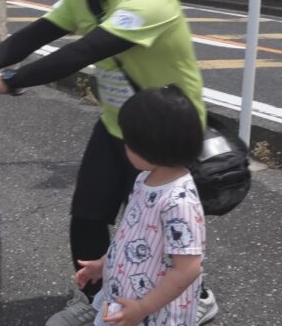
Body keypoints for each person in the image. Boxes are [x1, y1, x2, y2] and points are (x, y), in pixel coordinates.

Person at [0, 0, 218, 325]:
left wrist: (7, 81)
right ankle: (98, 298)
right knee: (87, 215)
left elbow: (84, 52)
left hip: (164, 133)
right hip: (118, 124)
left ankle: (197, 293)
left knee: (158, 230)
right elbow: (39, 32)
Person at [78, 85, 205, 326]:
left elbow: (188, 268)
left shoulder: (179, 201)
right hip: (124, 297)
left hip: (153, 313)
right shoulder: (144, 179)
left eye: (129, 141)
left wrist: (143, 308)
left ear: (152, 146)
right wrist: (104, 264)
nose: (124, 146)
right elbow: (130, 235)